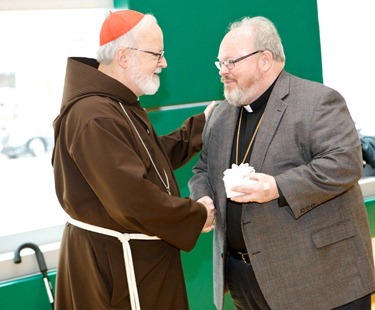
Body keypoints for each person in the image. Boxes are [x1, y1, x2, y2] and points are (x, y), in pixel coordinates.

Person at [189, 16, 375, 310]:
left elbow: (344, 164)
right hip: (244, 280)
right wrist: (203, 197)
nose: (223, 72)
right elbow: (202, 169)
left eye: (231, 62)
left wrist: (276, 187)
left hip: (320, 277)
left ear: (264, 59)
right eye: (220, 64)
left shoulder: (318, 101)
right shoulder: (221, 115)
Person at [52, 10, 215, 310]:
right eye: (157, 54)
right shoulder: (95, 116)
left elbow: (149, 162)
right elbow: (133, 198)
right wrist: (196, 214)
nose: (163, 63)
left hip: (133, 259)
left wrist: (201, 125)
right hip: (115, 268)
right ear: (124, 57)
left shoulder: (114, 103)